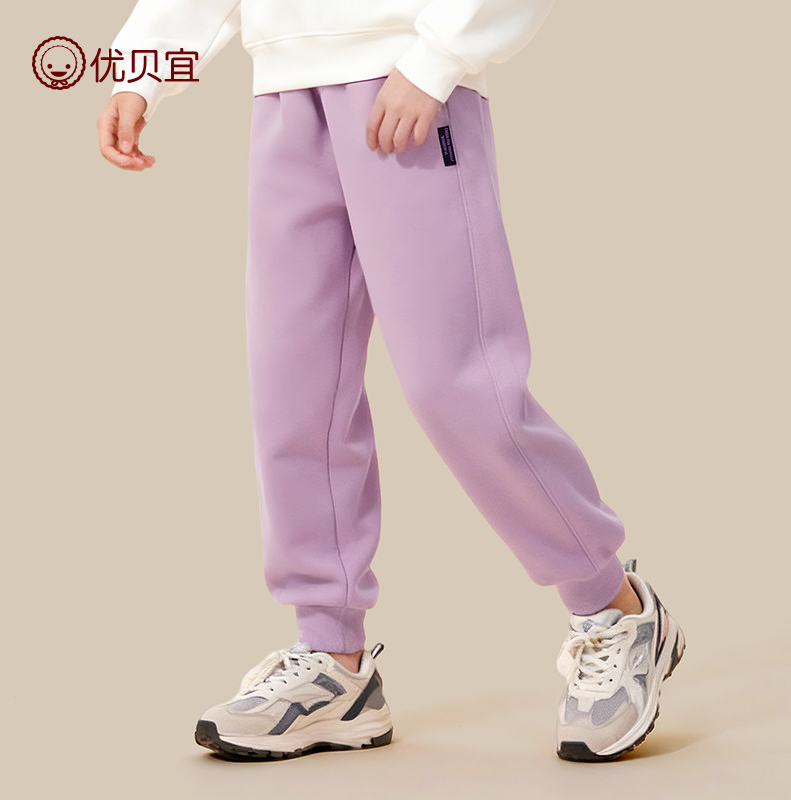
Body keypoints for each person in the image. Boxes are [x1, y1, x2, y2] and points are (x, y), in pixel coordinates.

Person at [98, 0, 685, 763]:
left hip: (407, 80)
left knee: (459, 384)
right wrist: (140, 67)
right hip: (284, 87)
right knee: (295, 389)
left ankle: (614, 608)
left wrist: (438, 56)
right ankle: (332, 659)